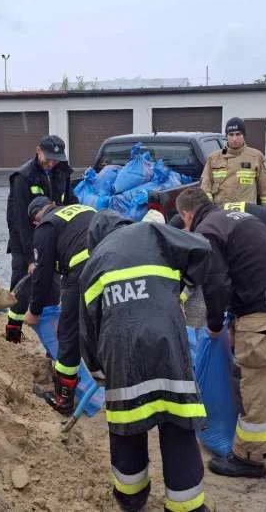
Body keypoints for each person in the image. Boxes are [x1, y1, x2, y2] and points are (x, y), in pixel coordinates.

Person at [80, 211, 212, 512]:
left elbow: (87, 326)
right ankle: (187, 505)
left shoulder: (95, 261)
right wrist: (183, 284)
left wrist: (100, 371)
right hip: (167, 345)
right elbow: (202, 247)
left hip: (122, 353)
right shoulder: (154, 234)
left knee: (127, 424)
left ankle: (131, 498)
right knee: (177, 420)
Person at [176, 187, 266, 479]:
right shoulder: (233, 217)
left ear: (187, 214)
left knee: (257, 380)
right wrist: (235, 321)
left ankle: (249, 457)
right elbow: (246, 268)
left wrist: (213, 327)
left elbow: (218, 284)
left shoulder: (207, 231)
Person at [14, 197, 96, 415]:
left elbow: (43, 277)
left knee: (68, 334)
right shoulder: (82, 208)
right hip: (111, 265)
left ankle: (63, 400)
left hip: (82, 273)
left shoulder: (46, 227)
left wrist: (34, 311)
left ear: (35, 219)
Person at [4, 135, 75, 327]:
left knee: (52, 289)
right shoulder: (23, 177)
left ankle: (47, 335)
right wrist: (30, 258)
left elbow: (70, 202)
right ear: (38, 151)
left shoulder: (62, 172)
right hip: (24, 242)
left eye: (56, 159)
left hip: (51, 240)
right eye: (48, 157)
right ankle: (12, 335)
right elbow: (19, 221)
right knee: (22, 291)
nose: (51, 163)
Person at [200, 117, 266, 211]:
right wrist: (209, 212)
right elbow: (205, 189)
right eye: (231, 134)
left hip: (247, 214)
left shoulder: (256, 157)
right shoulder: (214, 158)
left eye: (238, 134)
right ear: (226, 136)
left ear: (244, 135)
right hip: (221, 214)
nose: (234, 138)